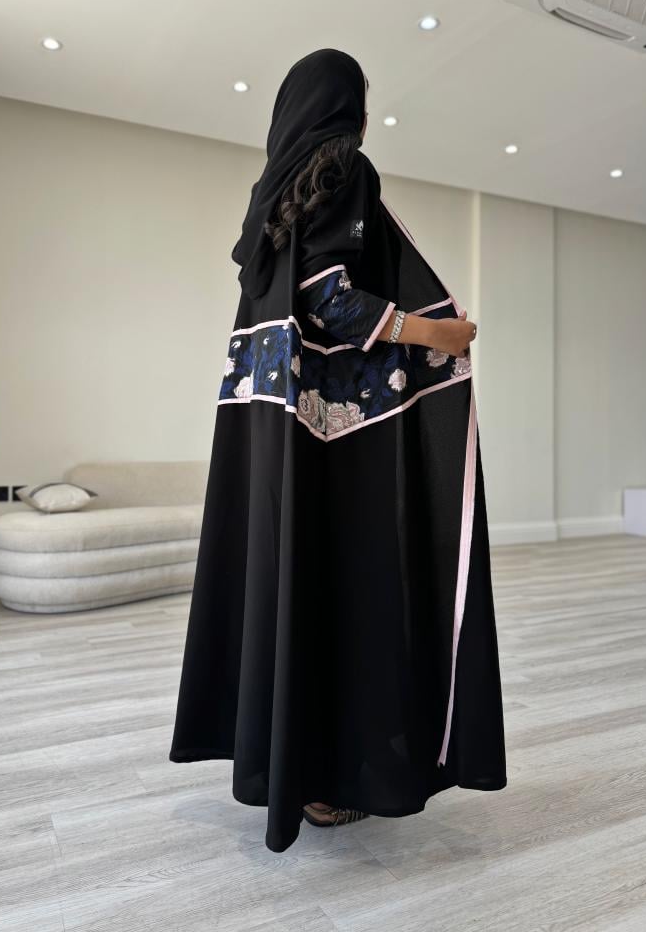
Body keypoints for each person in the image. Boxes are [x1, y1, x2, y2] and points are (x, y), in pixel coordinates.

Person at [169, 48, 507, 853]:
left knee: (296, 584)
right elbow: (333, 301)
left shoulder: (270, 201)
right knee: (351, 588)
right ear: (341, 107)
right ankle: (327, 780)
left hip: (275, 438)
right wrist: (436, 333)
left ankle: (298, 772)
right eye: (362, 100)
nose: (367, 117)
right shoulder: (345, 169)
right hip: (337, 443)